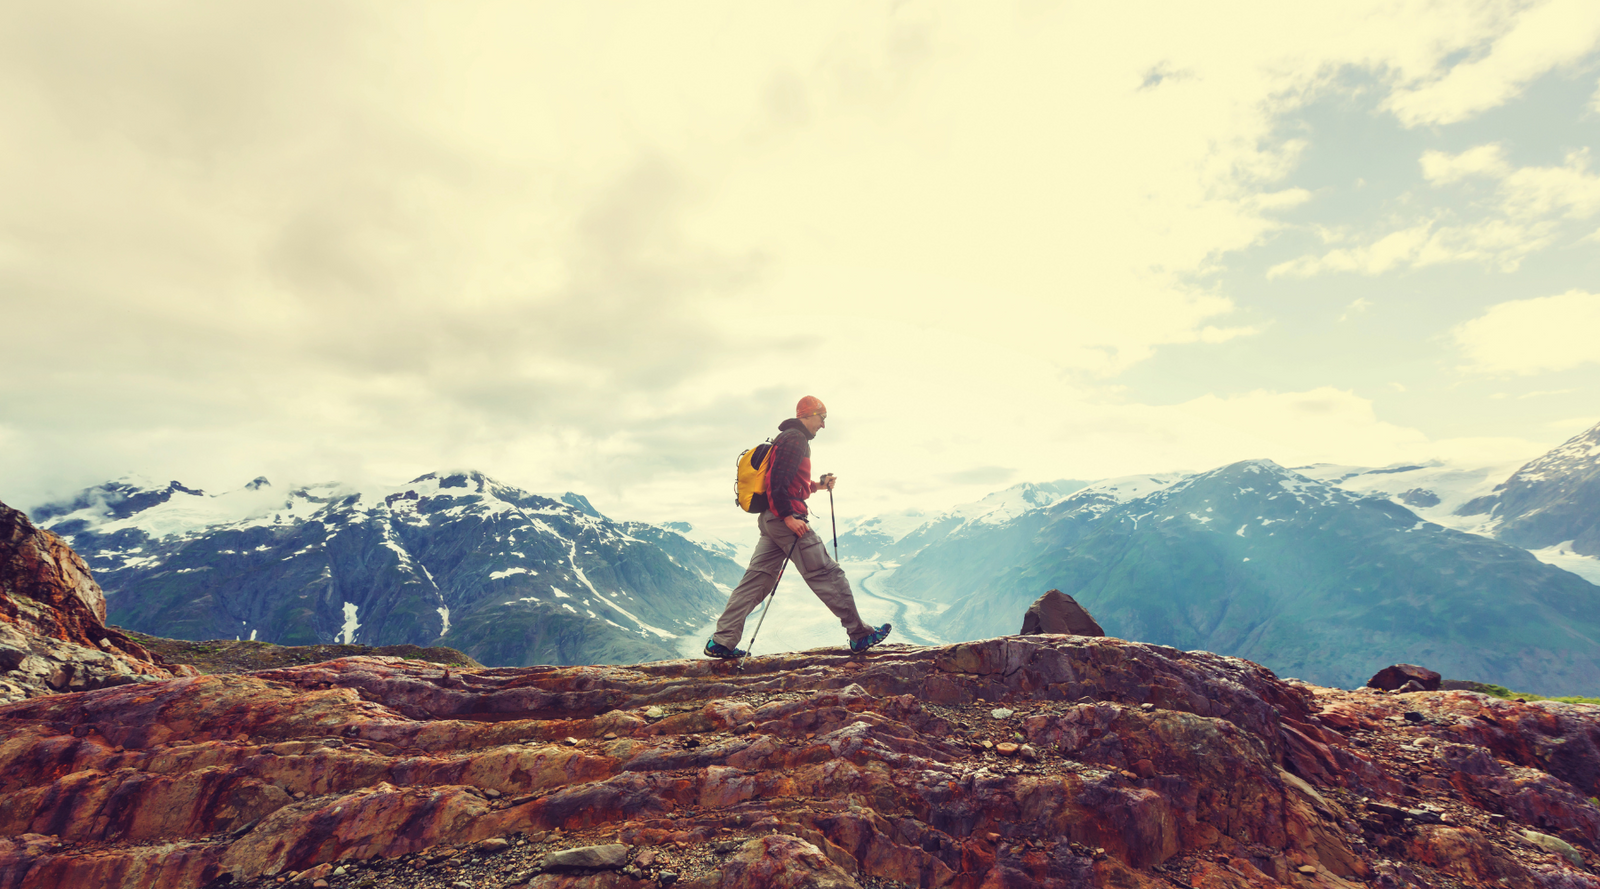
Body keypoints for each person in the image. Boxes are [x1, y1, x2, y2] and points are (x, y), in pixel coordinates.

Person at [705, 396, 892, 659]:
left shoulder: (787, 438)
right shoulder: (795, 439)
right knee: (827, 574)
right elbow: (776, 481)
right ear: (808, 414)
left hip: (771, 520)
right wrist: (788, 517)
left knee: (756, 581)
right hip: (786, 521)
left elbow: (790, 482)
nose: (823, 425)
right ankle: (860, 635)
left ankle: (721, 641)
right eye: (822, 418)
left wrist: (817, 485)